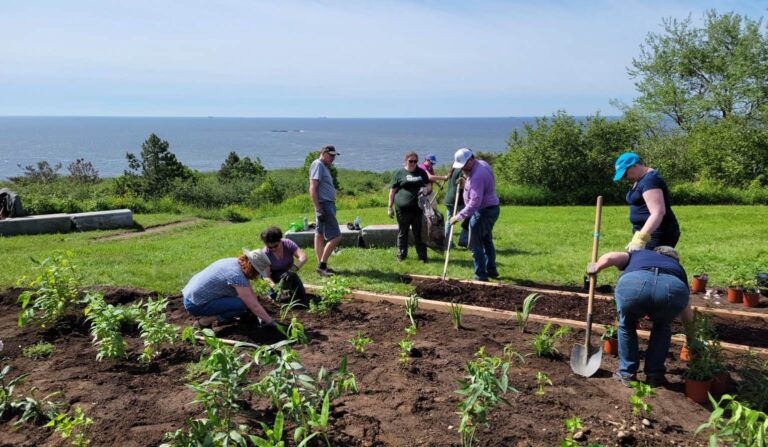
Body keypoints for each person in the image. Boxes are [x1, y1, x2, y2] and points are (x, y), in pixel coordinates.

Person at [587, 246, 690, 387]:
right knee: (663, 326)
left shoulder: (640, 254)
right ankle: (654, 376)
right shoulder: (677, 268)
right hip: (671, 288)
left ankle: (627, 374)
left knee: (626, 324)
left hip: (633, 284)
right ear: (675, 259)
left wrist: (596, 267)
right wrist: (692, 337)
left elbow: (610, 257)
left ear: (655, 252)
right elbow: (686, 309)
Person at [182, 248, 276, 328]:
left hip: (191, 295)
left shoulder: (235, 262)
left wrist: (258, 313)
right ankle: (204, 321)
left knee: (246, 302)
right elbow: (252, 304)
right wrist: (271, 322)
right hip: (195, 304)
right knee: (240, 305)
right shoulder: (237, 276)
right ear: (253, 268)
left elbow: (250, 293)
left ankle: (223, 316)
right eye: (257, 272)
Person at [449, 148, 500, 281]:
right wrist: (465, 183)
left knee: (474, 244)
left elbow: (474, 203)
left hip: (483, 212)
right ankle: (491, 270)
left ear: (471, 159)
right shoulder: (482, 164)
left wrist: (458, 217)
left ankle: (480, 276)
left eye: (464, 165)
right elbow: (478, 188)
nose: (463, 168)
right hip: (491, 208)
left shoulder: (477, 175)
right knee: (486, 240)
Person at [614, 152, 680, 250]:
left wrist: (640, 239)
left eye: (625, 174)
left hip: (658, 233)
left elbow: (658, 212)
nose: (624, 178)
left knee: (651, 264)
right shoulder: (641, 179)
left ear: (634, 166)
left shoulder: (650, 180)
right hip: (647, 232)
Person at [388, 151, 430, 262]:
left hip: (418, 209)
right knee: (403, 232)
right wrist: (389, 207)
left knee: (419, 233)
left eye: (415, 161)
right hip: (402, 210)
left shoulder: (421, 172)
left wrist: (426, 190)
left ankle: (422, 256)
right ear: (406, 160)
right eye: (411, 161)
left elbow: (428, 186)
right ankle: (401, 255)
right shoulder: (399, 173)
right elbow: (392, 191)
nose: (413, 163)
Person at [309, 145, 342, 276]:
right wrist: (318, 208)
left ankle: (321, 267)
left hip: (324, 204)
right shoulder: (318, 164)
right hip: (324, 205)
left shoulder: (323, 166)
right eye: (331, 155)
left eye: (334, 156)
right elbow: (312, 188)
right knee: (336, 237)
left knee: (319, 235)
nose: (333, 158)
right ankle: (322, 266)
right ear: (323, 153)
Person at [260, 226, 308, 301]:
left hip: (290, 272)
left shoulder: (288, 244)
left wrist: (292, 270)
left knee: (301, 294)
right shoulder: (265, 254)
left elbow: (303, 257)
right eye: (270, 247)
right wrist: (276, 288)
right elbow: (266, 277)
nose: (273, 249)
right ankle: (272, 294)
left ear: (280, 240)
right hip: (273, 276)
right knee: (277, 299)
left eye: (275, 246)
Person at [444, 167, 468, 248]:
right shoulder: (462, 171)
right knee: (469, 217)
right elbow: (463, 186)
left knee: (449, 220)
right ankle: (463, 240)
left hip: (449, 198)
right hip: (457, 199)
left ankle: (447, 242)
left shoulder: (452, 169)